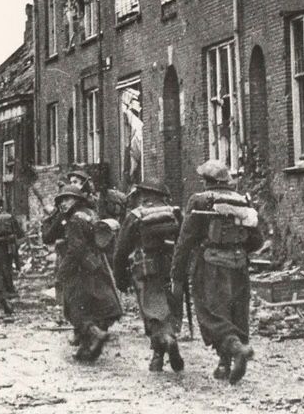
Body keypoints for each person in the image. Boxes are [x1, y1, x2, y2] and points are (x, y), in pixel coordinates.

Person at [171, 160, 263, 383]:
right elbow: (257, 240)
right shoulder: (243, 201)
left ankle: (234, 348)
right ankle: (225, 363)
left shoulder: (200, 200)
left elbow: (184, 242)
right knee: (236, 312)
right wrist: (238, 250)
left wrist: (177, 275)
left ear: (207, 181)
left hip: (209, 266)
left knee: (211, 314)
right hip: (239, 265)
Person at [42, 184, 123, 361]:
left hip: (78, 268)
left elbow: (75, 249)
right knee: (94, 305)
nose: (63, 203)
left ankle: (95, 334)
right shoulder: (90, 214)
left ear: (77, 200)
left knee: (74, 307)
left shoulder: (73, 220)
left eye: (67, 199)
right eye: (61, 200)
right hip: (96, 265)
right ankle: (86, 348)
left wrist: (62, 272)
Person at [114, 177, 184, 373]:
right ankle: (163, 351)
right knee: (169, 309)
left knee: (152, 312)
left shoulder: (135, 215)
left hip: (146, 269)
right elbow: (185, 242)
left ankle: (161, 350)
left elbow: (121, 251)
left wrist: (120, 279)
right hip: (171, 268)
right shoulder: (175, 213)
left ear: (144, 195)